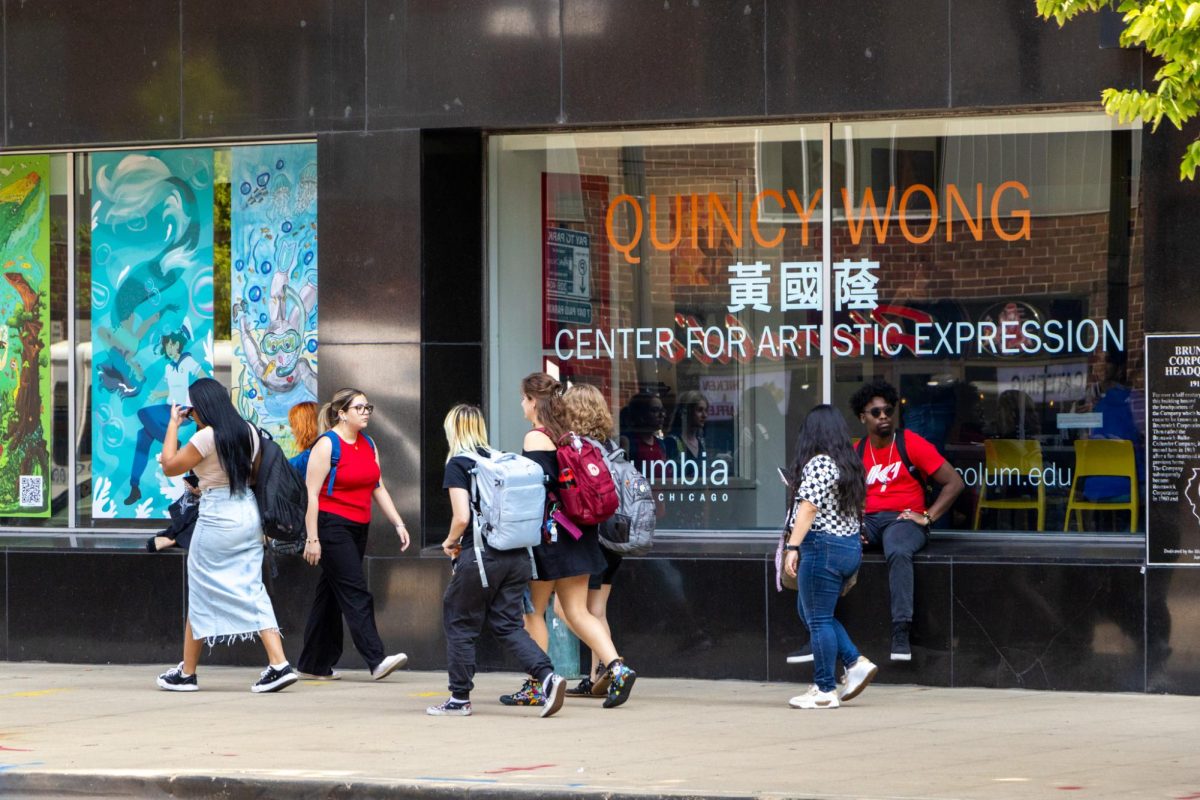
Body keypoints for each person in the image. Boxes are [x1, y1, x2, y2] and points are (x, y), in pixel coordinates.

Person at [502, 372, 637, 709]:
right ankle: (618, 669)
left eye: (523, 398)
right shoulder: (569, 435)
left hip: (549, 537)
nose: (521, 404)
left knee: (534, 613)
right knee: (577, 611)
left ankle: (539, 683)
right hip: (579, 533)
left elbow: (535, 493)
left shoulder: (537, 437)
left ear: (534, 401)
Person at [154, 377, 297, 693]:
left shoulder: (207, 437)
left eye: (193, 408)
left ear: (202, 406)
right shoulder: (248, 430)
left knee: (201, 590)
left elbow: (170, 466)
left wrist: (173, 425)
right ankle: (279, 663)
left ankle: (188, 673)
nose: (191, 413)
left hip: (217, 516)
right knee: (251, 586)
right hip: (247, 512)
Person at [429, 404, 566, 717]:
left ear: (452, 430)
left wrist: (450, 542)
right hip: (517, 556)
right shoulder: (500, 459)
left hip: (480, 558)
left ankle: (459, 699)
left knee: (461, 623)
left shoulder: (459, 464)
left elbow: (461, 517)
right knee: (508, 625)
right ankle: (547, 677)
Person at [297, 388, 410, 682]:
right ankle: (376, 659)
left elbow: (378, 486)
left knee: (331, 595)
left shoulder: (368, 443)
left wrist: (398, 523)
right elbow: (312, 494)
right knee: (356, 591)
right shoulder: (327, 444)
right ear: (342, 413)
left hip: (359, 526)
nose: (365, 412)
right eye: (359, 408)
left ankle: (313, 664)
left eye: (367, 407)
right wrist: (312, 538)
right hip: (330, 525)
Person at [852, 379, 964, 661]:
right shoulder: (857, 451)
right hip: (870, 520)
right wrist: (854, 524)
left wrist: (927, 517)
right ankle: (818, 629)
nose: (883, 417)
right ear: (862, 417)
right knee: (831, 544)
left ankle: (901, 631)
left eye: (888, 411)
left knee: (898, 548)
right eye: (875, 413)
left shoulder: (910, 443)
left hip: (904, 520)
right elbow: (847, 494)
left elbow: (954, 483)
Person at [782, 405, 878, 709]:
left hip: (822, 547)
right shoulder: (849, 463)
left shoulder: (820, 463)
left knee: (819, 619)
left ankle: (824, 690)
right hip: (847, 547)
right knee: (808, 611)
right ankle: (854, 661)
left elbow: (808, 508)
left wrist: (792, 547)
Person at [556, 384, 627, 698]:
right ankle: (599, 675)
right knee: (596, 610)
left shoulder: (577, 448)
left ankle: (612, 666)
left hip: (592, 535)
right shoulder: (610, 445)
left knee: (564, 608)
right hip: (618, 534)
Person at [124, 328, 207, 505]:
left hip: (183, 409)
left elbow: (203, 378)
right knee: (143, 437)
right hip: (170, 407)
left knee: (143, 413)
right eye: (167, 345)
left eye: (171, 344)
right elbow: (174, 389)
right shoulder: (169, 366)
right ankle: (135, 487)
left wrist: (195, 403)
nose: (169, 348)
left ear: (178, 344)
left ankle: (171, 443)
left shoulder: (188, 361)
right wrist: (159, 395)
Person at [620, 391, 678, 475]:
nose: (662, 415)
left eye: (662, 410)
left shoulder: (660, 444)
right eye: (655, 411)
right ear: (641, 414)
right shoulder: (628, 441)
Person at [670, 390, 709, 465]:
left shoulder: (701, 443)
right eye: (699, 410)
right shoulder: (672, 442)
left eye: (706, 410)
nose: (705, 415)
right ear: (686, 411)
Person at [287, 400, 320, 474]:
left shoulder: (296, 464)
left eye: (293, 426)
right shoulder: (335, 452)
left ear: (303, 428)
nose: (292, 431)